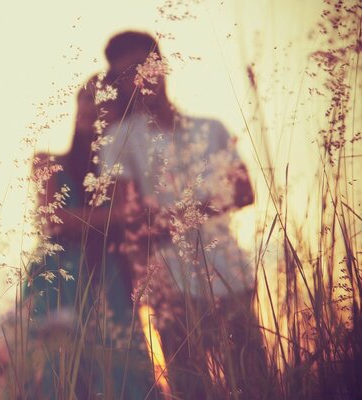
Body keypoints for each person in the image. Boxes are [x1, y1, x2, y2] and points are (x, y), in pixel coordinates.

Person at [93, 31, 269, 399]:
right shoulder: (119, 139)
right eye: (127, 75)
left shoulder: (211, 128)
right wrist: (201, 205)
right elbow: (130, 215)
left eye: (145, 66)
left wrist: (174, 214)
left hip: (230, 272)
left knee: (256, 382)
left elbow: (244, 192)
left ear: (163, 66)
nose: (141, 79)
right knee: (191, 387)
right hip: (170, 285)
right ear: (119, 85)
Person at [22, 72, 158, 398]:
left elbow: (134, 217)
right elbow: (52, 220)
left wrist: (92, 219)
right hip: (58, 276)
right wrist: (114, 218)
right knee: (57, 370)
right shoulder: (47, 161)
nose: (94, 107)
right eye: (87, 99)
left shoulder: (122, 171)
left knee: (121, 369)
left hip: (110, 273)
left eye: (105, 103)